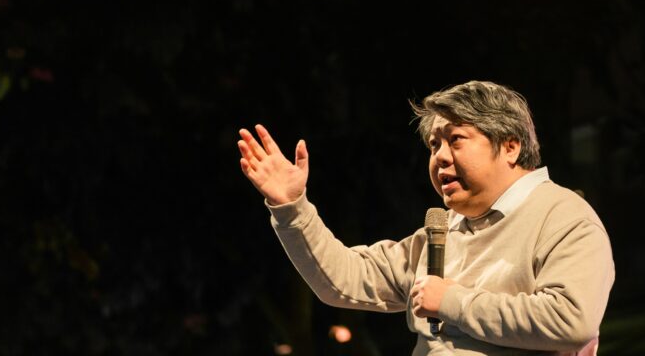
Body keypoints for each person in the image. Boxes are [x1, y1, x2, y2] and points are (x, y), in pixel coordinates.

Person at [237, 81, 615, 355]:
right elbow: (342, 280)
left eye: (455, 139)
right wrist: (292, 207)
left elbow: (571, 319)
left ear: (510, 147)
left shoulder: (562, 216)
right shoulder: (441, 232)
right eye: (434, 145)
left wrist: (453, 302)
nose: (440, 157)